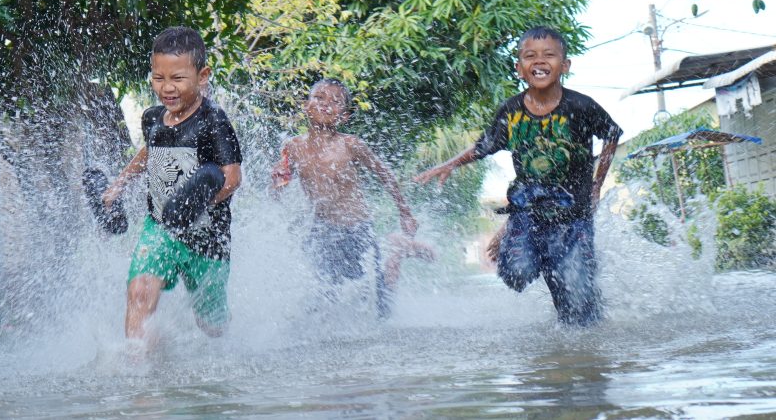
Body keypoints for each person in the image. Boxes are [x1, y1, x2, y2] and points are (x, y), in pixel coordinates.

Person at [412, 26, 621, 326]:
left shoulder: (580, 106)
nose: (540, 61)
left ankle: (584, 334)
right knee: (517, 273)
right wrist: (450, 164)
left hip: (574, 215)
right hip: (529, 214)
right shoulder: (510, 111)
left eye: (549, 55)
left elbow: (612, 134)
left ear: (565, 65)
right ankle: (537, 254)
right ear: (519, 68)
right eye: (529, 56)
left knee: (578, 300)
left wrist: (597, 184)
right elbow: (484, 145)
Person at [102, 27, 243, 340]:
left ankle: (223, 342)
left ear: (202, 75)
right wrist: (119, 184)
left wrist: (194, 204)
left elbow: (232, 178)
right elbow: (149, 150)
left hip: (208, 238)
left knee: (211, 326)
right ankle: (136, 372)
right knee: (139, 291)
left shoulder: (214, 121)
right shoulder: (153, 117)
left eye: (177, 78)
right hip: (162, 228)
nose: (167, 88)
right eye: (158, 77)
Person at [270, 78, 432, 317]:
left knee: (378, 304)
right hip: (320, 228)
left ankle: (396, 255)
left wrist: (405, 211)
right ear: (306, 106)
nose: (326, 105)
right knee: (323, 290)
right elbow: (278, 189)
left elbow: (384, 174)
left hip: (356, 227)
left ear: (344, 116)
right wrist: (275, 183)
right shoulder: (293, 147)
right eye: (319, 98)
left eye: (336, 102)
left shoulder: (351, 144)